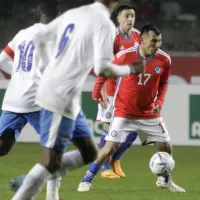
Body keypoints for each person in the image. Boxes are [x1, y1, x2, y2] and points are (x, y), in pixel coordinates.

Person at [11, 0, 145, 199]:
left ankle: (39, 180)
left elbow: (40, 37)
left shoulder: (76, 13)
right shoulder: (103, 23)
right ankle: (31, 187)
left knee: (90, 152)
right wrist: (130, 70)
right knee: (51, 160)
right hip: (59, 95)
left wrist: (46, 68)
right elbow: (102, 69)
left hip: (68, 97)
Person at [78, 24, 185, 193]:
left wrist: (159, 103)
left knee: (166, 147)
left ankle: (164, 181)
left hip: (149, 113)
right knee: (108, 149)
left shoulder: (164, 60)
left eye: (160, 41)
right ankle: (86, 179)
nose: (157, 45)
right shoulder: (124, 57)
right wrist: (97, 91)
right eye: (153, 41)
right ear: (142, 40)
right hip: (124, 113)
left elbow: (164, 83)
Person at [0, 2, 68, 200]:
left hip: (13, 99)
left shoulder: (22, 34)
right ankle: (52, 197)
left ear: (39, 13)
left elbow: (2, 60)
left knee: (2, 146)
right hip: (38, 101)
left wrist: (19, 76)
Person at [93, 4, 140, 178]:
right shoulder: (112, 38)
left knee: (135, 129)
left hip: (129, 91)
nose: (130, 19)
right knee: (108, 128)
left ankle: (115, 159)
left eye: (133, 15)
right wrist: (103, 91)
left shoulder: (137, 36)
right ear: (118, 18)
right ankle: (104, 169)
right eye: (127, 16)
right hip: (111, 90)